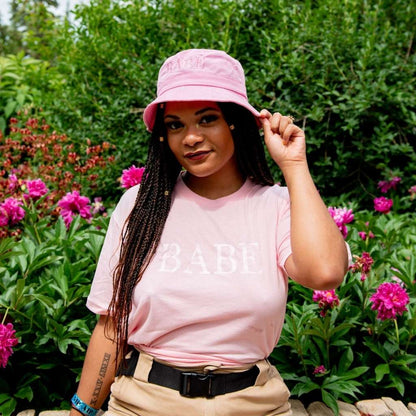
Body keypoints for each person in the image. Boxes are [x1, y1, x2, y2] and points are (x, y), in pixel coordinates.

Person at [69, 49, 349, 416]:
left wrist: (294, 165)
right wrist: (81, 411)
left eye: (207, 119)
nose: (190, 138)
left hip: (253, 405)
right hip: (143, 404)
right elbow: (111, 325)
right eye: (175, 125)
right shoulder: (140, 206)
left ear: (234, 122)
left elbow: (325, 273)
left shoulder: (276, 205)